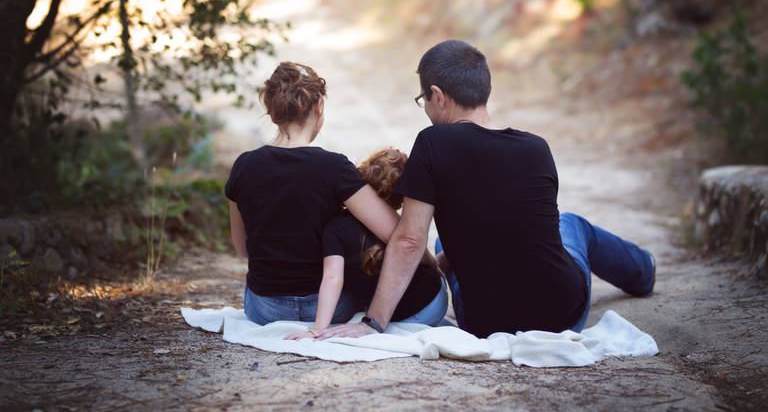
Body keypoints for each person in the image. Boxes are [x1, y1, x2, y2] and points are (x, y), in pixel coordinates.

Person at [317, 40, 656, 340]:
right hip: (563, 316)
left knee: (440, 244)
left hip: (485, 323)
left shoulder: (433, 142)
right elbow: (523, 227)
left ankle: (642, 269)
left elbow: (408, 240)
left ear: (437, 96)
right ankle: (644, 271)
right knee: (571, 225)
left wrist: (373, 323)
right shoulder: (536, 148)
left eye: (424, 100)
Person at [225, 62, 437, 326]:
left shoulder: (244, 166)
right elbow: (396, 233)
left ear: (271, 112)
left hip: (264, 309)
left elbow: (242, 247)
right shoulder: (333, 167)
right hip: (330, 307)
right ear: (318, 107)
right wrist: (430, 262)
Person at [286, 148, 448, 340]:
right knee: (441, 249)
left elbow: (332, 279)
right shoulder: (402, 226)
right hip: (434, 304)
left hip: (396, 319)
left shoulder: (335, 228)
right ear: (402, 197)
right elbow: (421, 257)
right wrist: (435, 266)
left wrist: (317, 329)